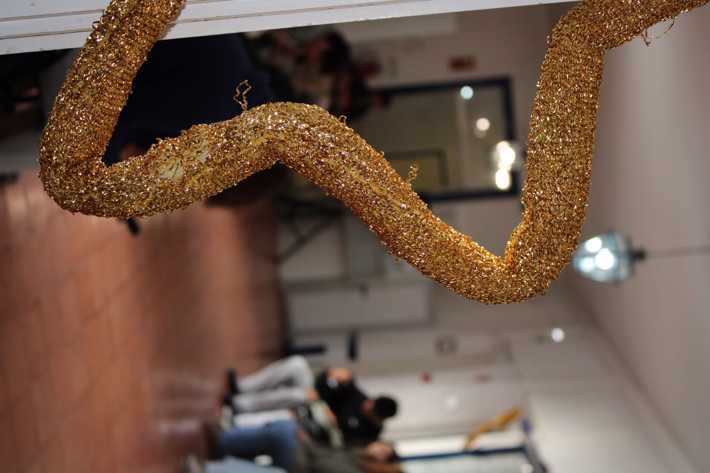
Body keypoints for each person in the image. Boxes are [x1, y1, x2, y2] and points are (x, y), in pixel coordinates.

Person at [225, 356, 398, 445]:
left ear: (377, 417)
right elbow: (329, 383)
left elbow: (339, 440)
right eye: (370, 402)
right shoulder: (362, 399)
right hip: (315, 400)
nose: (366, 404)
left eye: (370, 408)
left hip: (316, 427)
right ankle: (242, 387)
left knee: (298, 396)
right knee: (297, 364)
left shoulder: (370, 433)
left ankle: (240, 405)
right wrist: (335, 375)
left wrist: (329, 416)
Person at [199, 419, 402, 473]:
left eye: (383, 452)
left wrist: (305, 444)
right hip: (304, 461)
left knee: (284, 433)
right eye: (381, 446)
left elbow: (321, 466)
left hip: (301, 467)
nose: (377, 448)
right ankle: (225, 443)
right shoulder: (357, 454)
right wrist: (306, 441)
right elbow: (323, 454)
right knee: (287, 427)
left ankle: (210, 467)